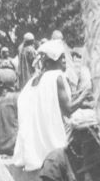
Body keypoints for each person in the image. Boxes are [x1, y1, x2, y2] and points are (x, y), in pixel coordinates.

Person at [12, 40, 91, 171]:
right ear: (51, 61)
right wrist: (86, 93)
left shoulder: (33, 81)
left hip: (35, 149)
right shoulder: (57, 77)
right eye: (62, 58)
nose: (65, 62)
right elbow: (68, 109)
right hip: (53, 144)